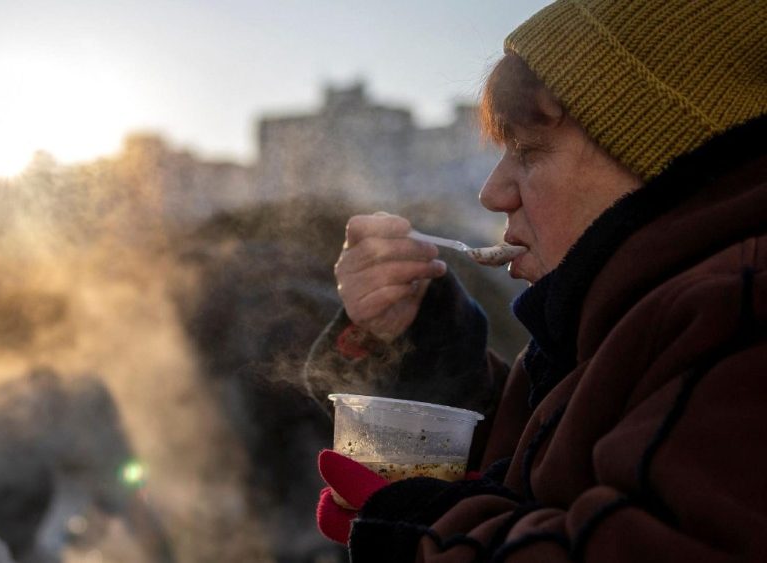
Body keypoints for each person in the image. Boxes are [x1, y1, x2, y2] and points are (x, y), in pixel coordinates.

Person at [303, 0, 767, 561]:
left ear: (657, 155)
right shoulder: (606, 334)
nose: (493, 193)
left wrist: (431, 532)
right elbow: (534, 464)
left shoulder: (741, 319)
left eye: (527, 151)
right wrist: (413, 340)